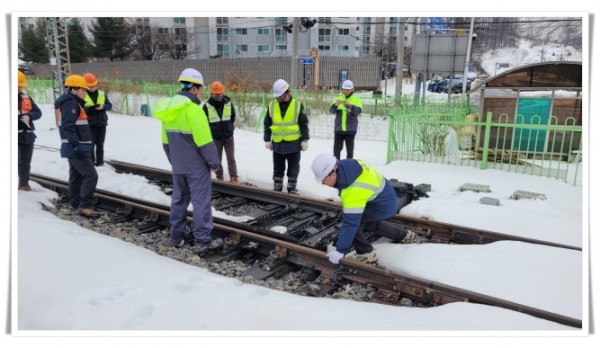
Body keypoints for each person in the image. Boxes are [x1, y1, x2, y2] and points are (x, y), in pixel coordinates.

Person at [154, 68, 224, 253]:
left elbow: (165, 143)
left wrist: (175, 162)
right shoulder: (194, 111)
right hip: (196, 167)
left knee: (178, 199)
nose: (201, 93)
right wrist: (214, 164)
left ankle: (176, 236)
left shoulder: (168, 110)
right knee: (201, 201)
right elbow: (205, 143)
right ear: (194, 89)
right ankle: (202, 240)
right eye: (200, 89)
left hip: (178, 166)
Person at [311, 153, 417, 264]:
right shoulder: (348, 165)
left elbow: (350, 223)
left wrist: (340, 251)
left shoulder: (352, 190)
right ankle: (404, 235)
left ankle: (367, 253)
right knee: (368, 222)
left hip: (383, 204)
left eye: (323, 179)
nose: (322, 183)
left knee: (353, 221)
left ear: (332, 174)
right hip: (383, 194)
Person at [58, 75, 100, 219]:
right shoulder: (71, 104)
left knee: (76, 175)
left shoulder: (73, 103)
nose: (85, 92)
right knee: (91, 175)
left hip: (75, 147)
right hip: (77, 148)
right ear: (74, 89)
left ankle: (75, 202)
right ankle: (85, 206)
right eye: (83, 89)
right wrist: (76, 144)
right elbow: (68, 126)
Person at [263, 79, 310, 194]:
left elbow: (303, 124)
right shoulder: (272, 105)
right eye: (276, 96)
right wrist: (267, 139)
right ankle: (277, 189)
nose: (277, 98)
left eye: (279, 96)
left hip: (293, 144)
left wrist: (305, 139)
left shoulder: (298, 106)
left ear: (286, 93)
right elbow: (267, 123)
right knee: (278, 169)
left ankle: (291, 189)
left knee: (293, 169)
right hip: (278, 144)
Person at [202, 81, 239, 183]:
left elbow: (232, 117)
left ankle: (234, 177)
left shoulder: (228, 104)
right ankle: (220, 177)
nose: (218, 96)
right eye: (216, 94)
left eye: (220, 94)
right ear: (211, 94)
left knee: (231, 158)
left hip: (228, 136)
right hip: (215, 138)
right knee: (217, 159)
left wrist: (229, 127)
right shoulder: (206, 107)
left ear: (223, 93)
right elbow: (204, 123)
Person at [17, 70, 42, 191]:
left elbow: (38, 112)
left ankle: (23, 184)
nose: (18, 88)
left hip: (27, 136)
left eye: (20, 86)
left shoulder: (26, 98)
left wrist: (29, 116)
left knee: (25, 163)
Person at [83, 73, 113, 166]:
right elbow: (81, 109)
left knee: (100, 144)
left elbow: (109, 105)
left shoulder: (101, 93)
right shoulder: (82, 95)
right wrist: (92, 108)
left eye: (94, 86)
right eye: (90, 86)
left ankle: (100, 162)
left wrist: (103, 107)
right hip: (90, 124)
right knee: (91, 145)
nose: (92, 88)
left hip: (102, 123)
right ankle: (91, 163)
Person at [330, 79, 362, 160]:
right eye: (344, 89)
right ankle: (336, 168)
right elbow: (331, 111)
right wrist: (335, 105)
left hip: (350, 130)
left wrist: (350, 106)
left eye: (348, 89)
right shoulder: (338, 99)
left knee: (350, 152)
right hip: (339, 129)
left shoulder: (356, 100)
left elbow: (358, 111)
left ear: (352, 89)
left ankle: (349, 168)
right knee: (336, 151)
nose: (346, 91)